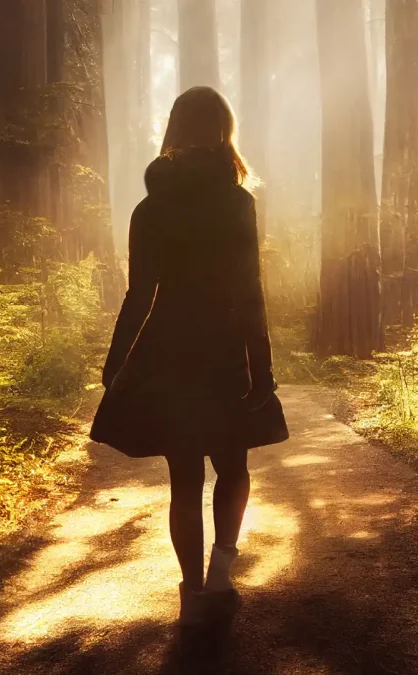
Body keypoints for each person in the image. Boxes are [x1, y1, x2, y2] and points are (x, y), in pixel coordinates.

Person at [90, 86, 290, 628]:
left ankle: (192, 589)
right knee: (233, 466)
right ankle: (222, 571)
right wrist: (262, 366)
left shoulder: (150, 207)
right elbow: (250, 289)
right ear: (224, 132)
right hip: (225, 348)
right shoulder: (237, 202)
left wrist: (118, 362)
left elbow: (140, 293)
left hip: (168, 351)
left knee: (185, 478)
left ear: (174, 131)